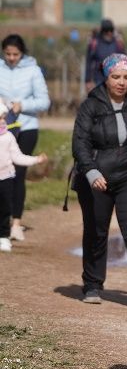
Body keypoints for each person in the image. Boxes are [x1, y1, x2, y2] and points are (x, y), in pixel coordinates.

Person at [72, 54, 127, 306]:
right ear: (106, 77)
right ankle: (92, 284)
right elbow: (80, 142)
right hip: (97, 177)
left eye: (126, 77)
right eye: (116, 77)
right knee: (96, 231)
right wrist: (90, 171)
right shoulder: (91, 106)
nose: (121, 82)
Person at [0, 34, 50, 242]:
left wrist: (23, 105)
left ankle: (16, 223)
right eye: (8, 54)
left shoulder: (33, 70)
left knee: (18, 173)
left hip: (27, 127)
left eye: (16, 54)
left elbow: (44, 101)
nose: (11, 58)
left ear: (22, 53)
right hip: (4, 128)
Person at [0, 102, 47, 253]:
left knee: (5, 208)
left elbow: (17, 157)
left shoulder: (8, 137)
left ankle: (4, 237)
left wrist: (35, 160)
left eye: (3, 118)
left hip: (6, 178)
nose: (2, 121)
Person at [85, 19, 125, 91]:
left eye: (111, 31)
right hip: (99, 79)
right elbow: (89, 61)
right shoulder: (95, 43)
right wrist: (88, 80)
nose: (109, 33)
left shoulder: (117, 43)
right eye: (106, 31)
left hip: (115, 79)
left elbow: (124, 60)